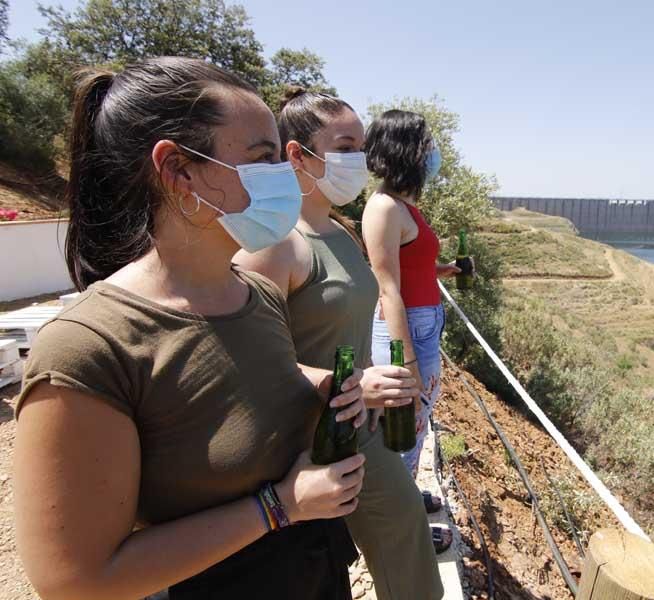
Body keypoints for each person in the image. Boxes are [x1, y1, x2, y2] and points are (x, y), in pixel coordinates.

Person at [13, 58, 367, 600]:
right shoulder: (89, 347)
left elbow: (241, 376)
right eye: (262, 159)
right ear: (179, 171)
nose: (283, 178)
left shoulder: (259, 295)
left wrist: (323, 385)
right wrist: (281, 507)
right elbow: (75, 581)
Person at [233, 87, 446, 599]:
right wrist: (349, 384)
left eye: (361, 147)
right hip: (312, 434)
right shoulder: (276, 246)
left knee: (404, 536)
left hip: (358, 422)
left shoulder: (341, 229)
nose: (361, 160)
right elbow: (242, 360)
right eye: (346, 146)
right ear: (297, 155)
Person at [362, 110, 460, 481]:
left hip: (423, 320)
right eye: (427, 144)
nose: (433, 152)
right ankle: (400, 518)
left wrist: (437, 272)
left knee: (418, 417)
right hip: (406, 330)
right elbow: (386, 286)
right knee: (407, 421)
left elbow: (405, 267)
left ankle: (409, 499)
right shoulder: (385, 207)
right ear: (408, 150)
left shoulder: (404, 208)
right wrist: (407, 364)